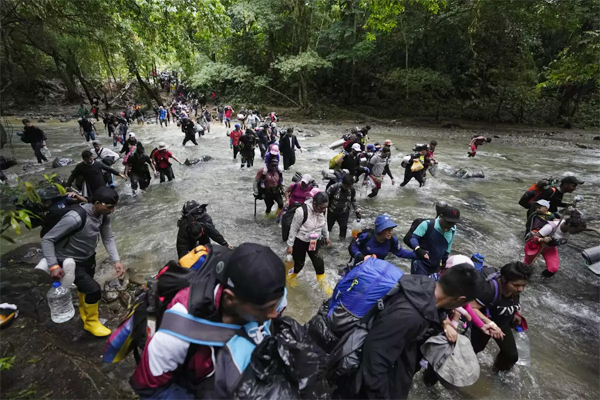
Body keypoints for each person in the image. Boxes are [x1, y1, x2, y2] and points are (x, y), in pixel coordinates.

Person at [131, 243, 286, 399]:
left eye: (277, 304)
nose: (274, 313)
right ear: (229, 299)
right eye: (265, 308)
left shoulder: (268, 295)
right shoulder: (177, 331)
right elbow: (148, 388)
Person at [348, 265, 479, 399]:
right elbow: (374, 362)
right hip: (375, 385)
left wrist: (444, 321)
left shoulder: (424, 286)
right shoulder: (409, 316)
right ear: (460, 299)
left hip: (398, 363)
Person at [42, 187, 124, 337]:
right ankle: (91, 323)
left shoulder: (103, 215)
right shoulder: (75, 218)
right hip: (68, 260)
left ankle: (84, 314)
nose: (112, 210)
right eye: (110, 207)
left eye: (114, 207)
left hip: (88, 257)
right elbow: (48, 239)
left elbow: (108, 238)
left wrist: (116, 261)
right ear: (97, 203)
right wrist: (53, 265)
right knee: (93, 289)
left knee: (84, 288)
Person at [470, 262, 533, 371]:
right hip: (484, 325)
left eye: (524, 285)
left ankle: (497, 374)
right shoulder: (490, 290)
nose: (521, 289)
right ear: (504, 280)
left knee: (511, 356)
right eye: (517, 285)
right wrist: (491, 324)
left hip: (503, 323)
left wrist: (517, 312)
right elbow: (471, 307)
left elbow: (515, 301)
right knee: (473, 351)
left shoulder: (514, 290)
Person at [286, 191, 332, 294]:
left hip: (315, 241)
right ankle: (290, 277)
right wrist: (290, 245)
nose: (323, 210)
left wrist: (326, 236)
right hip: (300, 241)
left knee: (319, 263)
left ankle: (324, 286)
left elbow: (324, 223)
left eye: (325, 208)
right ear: (314, 204)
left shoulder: (323, 210)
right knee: (299, 264)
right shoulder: (301, 211)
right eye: (321, 208)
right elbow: (293, 228)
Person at [524, 215, 593, 278]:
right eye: (577, 231)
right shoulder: (551, 227)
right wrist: (542, 239)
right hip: (536, 245)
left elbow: (581, 228)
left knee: (553, 269)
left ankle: (540, 280)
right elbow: (533, 237)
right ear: (569, 225)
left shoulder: (570, 226)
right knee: (527, 266)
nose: (578, 233)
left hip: (550, 248)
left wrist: (594, 230)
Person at [349, 214, 418, 267]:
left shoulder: (392, 241)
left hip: (377, 267)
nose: (390, 232)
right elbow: (353, 246)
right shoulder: (366, 236)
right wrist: (360, 256)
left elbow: (401, 252)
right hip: (359, 266)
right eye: (387, 229)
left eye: (391, 229)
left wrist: (418, 255)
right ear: (380, 230)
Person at [409, 206, 459, 276]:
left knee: (433, 286)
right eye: (448, 222)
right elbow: (413, 238)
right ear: (441, 216)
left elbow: (448, 247)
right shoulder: (427, 224)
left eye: (453, 223)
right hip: (420, 263)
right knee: (419, 284)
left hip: (435, 266)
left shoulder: (452, 230)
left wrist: (444, 262)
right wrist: (418, 249)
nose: (450, 225)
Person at [326, 174, 360, 239]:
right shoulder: (333, 187)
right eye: (347, 186)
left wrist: (357, 211)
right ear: (343, 183)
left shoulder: (352, 190)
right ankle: (326, 239)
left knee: (343, 228)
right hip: (332, 211)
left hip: (344, 212)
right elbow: (325, 198)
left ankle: (341, 242)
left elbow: (353, 200)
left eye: (350, 186)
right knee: (328, 228)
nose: (348, 188)